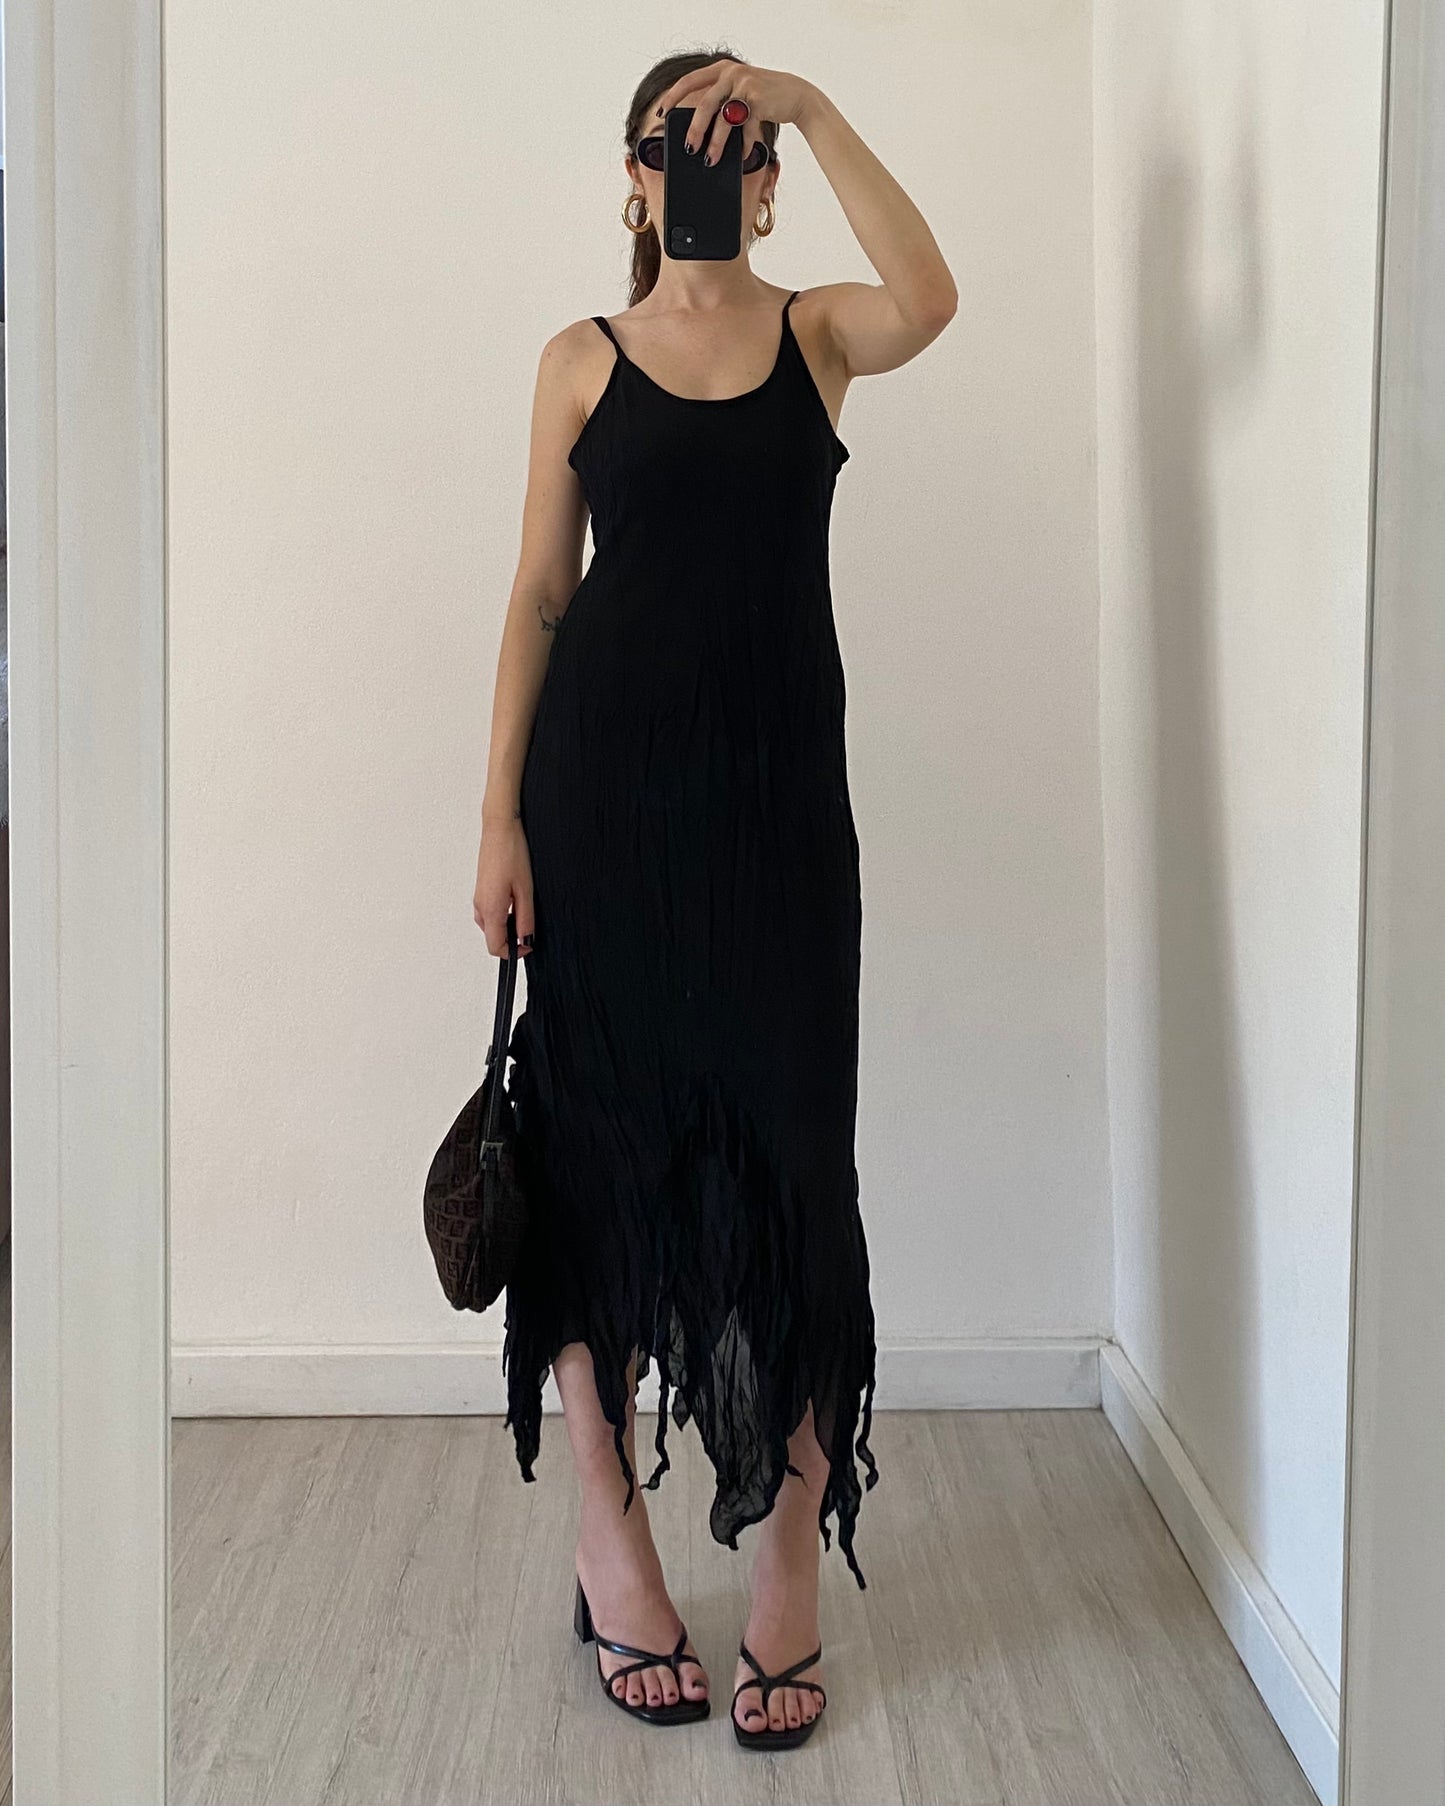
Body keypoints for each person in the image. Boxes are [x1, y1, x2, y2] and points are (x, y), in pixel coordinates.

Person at [473, 46, 956, 1748]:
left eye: (734, 143)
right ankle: (608, 1535)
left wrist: (809, 104)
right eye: (673, 142)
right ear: (630, 178)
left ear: (762, 180)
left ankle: (788, 1562)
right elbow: (540, 594)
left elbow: (931, 296)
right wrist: (496, 818)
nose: (706, 163)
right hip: (600, 810)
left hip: (775, 825)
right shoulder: (578, 360)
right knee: (596, 1158)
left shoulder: (818, 337)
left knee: (795, 1173)